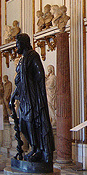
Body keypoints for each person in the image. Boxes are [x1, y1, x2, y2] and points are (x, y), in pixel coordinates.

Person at [10, 33, 54, 164]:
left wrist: (30, 86)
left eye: (17, 43)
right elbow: (19, 81)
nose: (16, 46)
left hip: (32, 97)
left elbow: (40, 74)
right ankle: (33, 148)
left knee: (31, 123)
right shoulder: (23, 59)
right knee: (23, 125)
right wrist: (13, 95)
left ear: (23, 43)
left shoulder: (33, 56)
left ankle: (37, 150)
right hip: (23, 97)